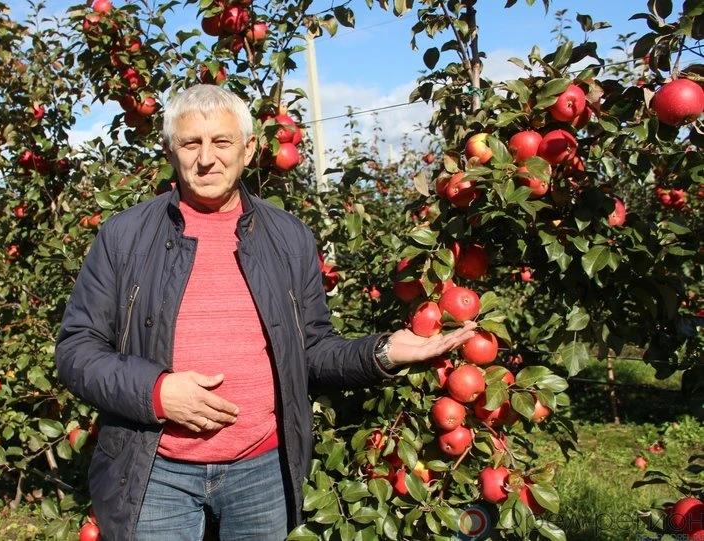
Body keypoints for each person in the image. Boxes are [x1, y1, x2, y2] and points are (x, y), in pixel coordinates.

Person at [54, 84, 476, 541]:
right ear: (170, 150)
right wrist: (156, 393)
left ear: (250, 148)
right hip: (156, 471)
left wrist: (384, 351)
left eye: (222, 141)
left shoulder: (288, 237)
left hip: (263, 471)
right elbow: (77, 350)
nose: (206, 158)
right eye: (191, 143)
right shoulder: (124, 236)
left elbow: (311, 351)